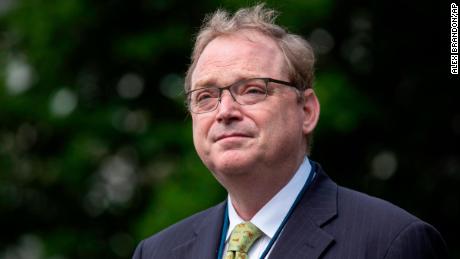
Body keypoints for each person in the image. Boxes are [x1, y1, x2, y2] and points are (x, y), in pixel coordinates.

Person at [133, 4, 448, 259]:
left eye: (252, 90)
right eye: (205, 96)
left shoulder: (392, 243)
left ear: (307, 111)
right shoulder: (157, 252)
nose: (225, 111)